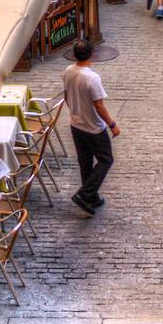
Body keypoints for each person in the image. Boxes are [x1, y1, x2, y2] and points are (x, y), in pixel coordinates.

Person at [62, 38, 120, 214]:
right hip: (93, 127)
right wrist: (112, 124)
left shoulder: (68, 71)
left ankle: (91, 197)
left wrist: (75, 111)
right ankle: (85, 193)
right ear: (92, 54)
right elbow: (99, 106)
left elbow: (66, 96)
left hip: (76, 124)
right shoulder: (91, 78)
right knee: (106, 159)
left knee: (85, 161)